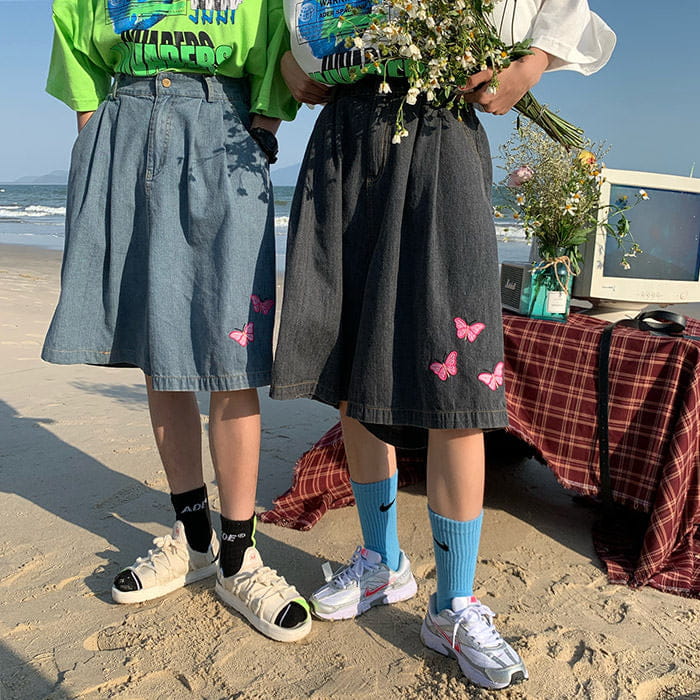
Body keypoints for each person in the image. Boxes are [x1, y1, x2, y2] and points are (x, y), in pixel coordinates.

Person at [271, 0, 615, 684]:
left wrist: (531, 63)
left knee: (457, 373)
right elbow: (284, 21)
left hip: (438, 130)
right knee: (352, 364)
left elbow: (561, 11)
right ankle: (381, 562)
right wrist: (286, 59)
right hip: (343, 136)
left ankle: (453, 604)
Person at [42, 0, 311, 643]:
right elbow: (77, 41)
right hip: (124, 123)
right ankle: (193, 539)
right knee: (158, 348)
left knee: (229, 351)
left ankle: (239, 554)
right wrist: (100, 134)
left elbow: (275, 42)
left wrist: (261, 131)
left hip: (223, 124)